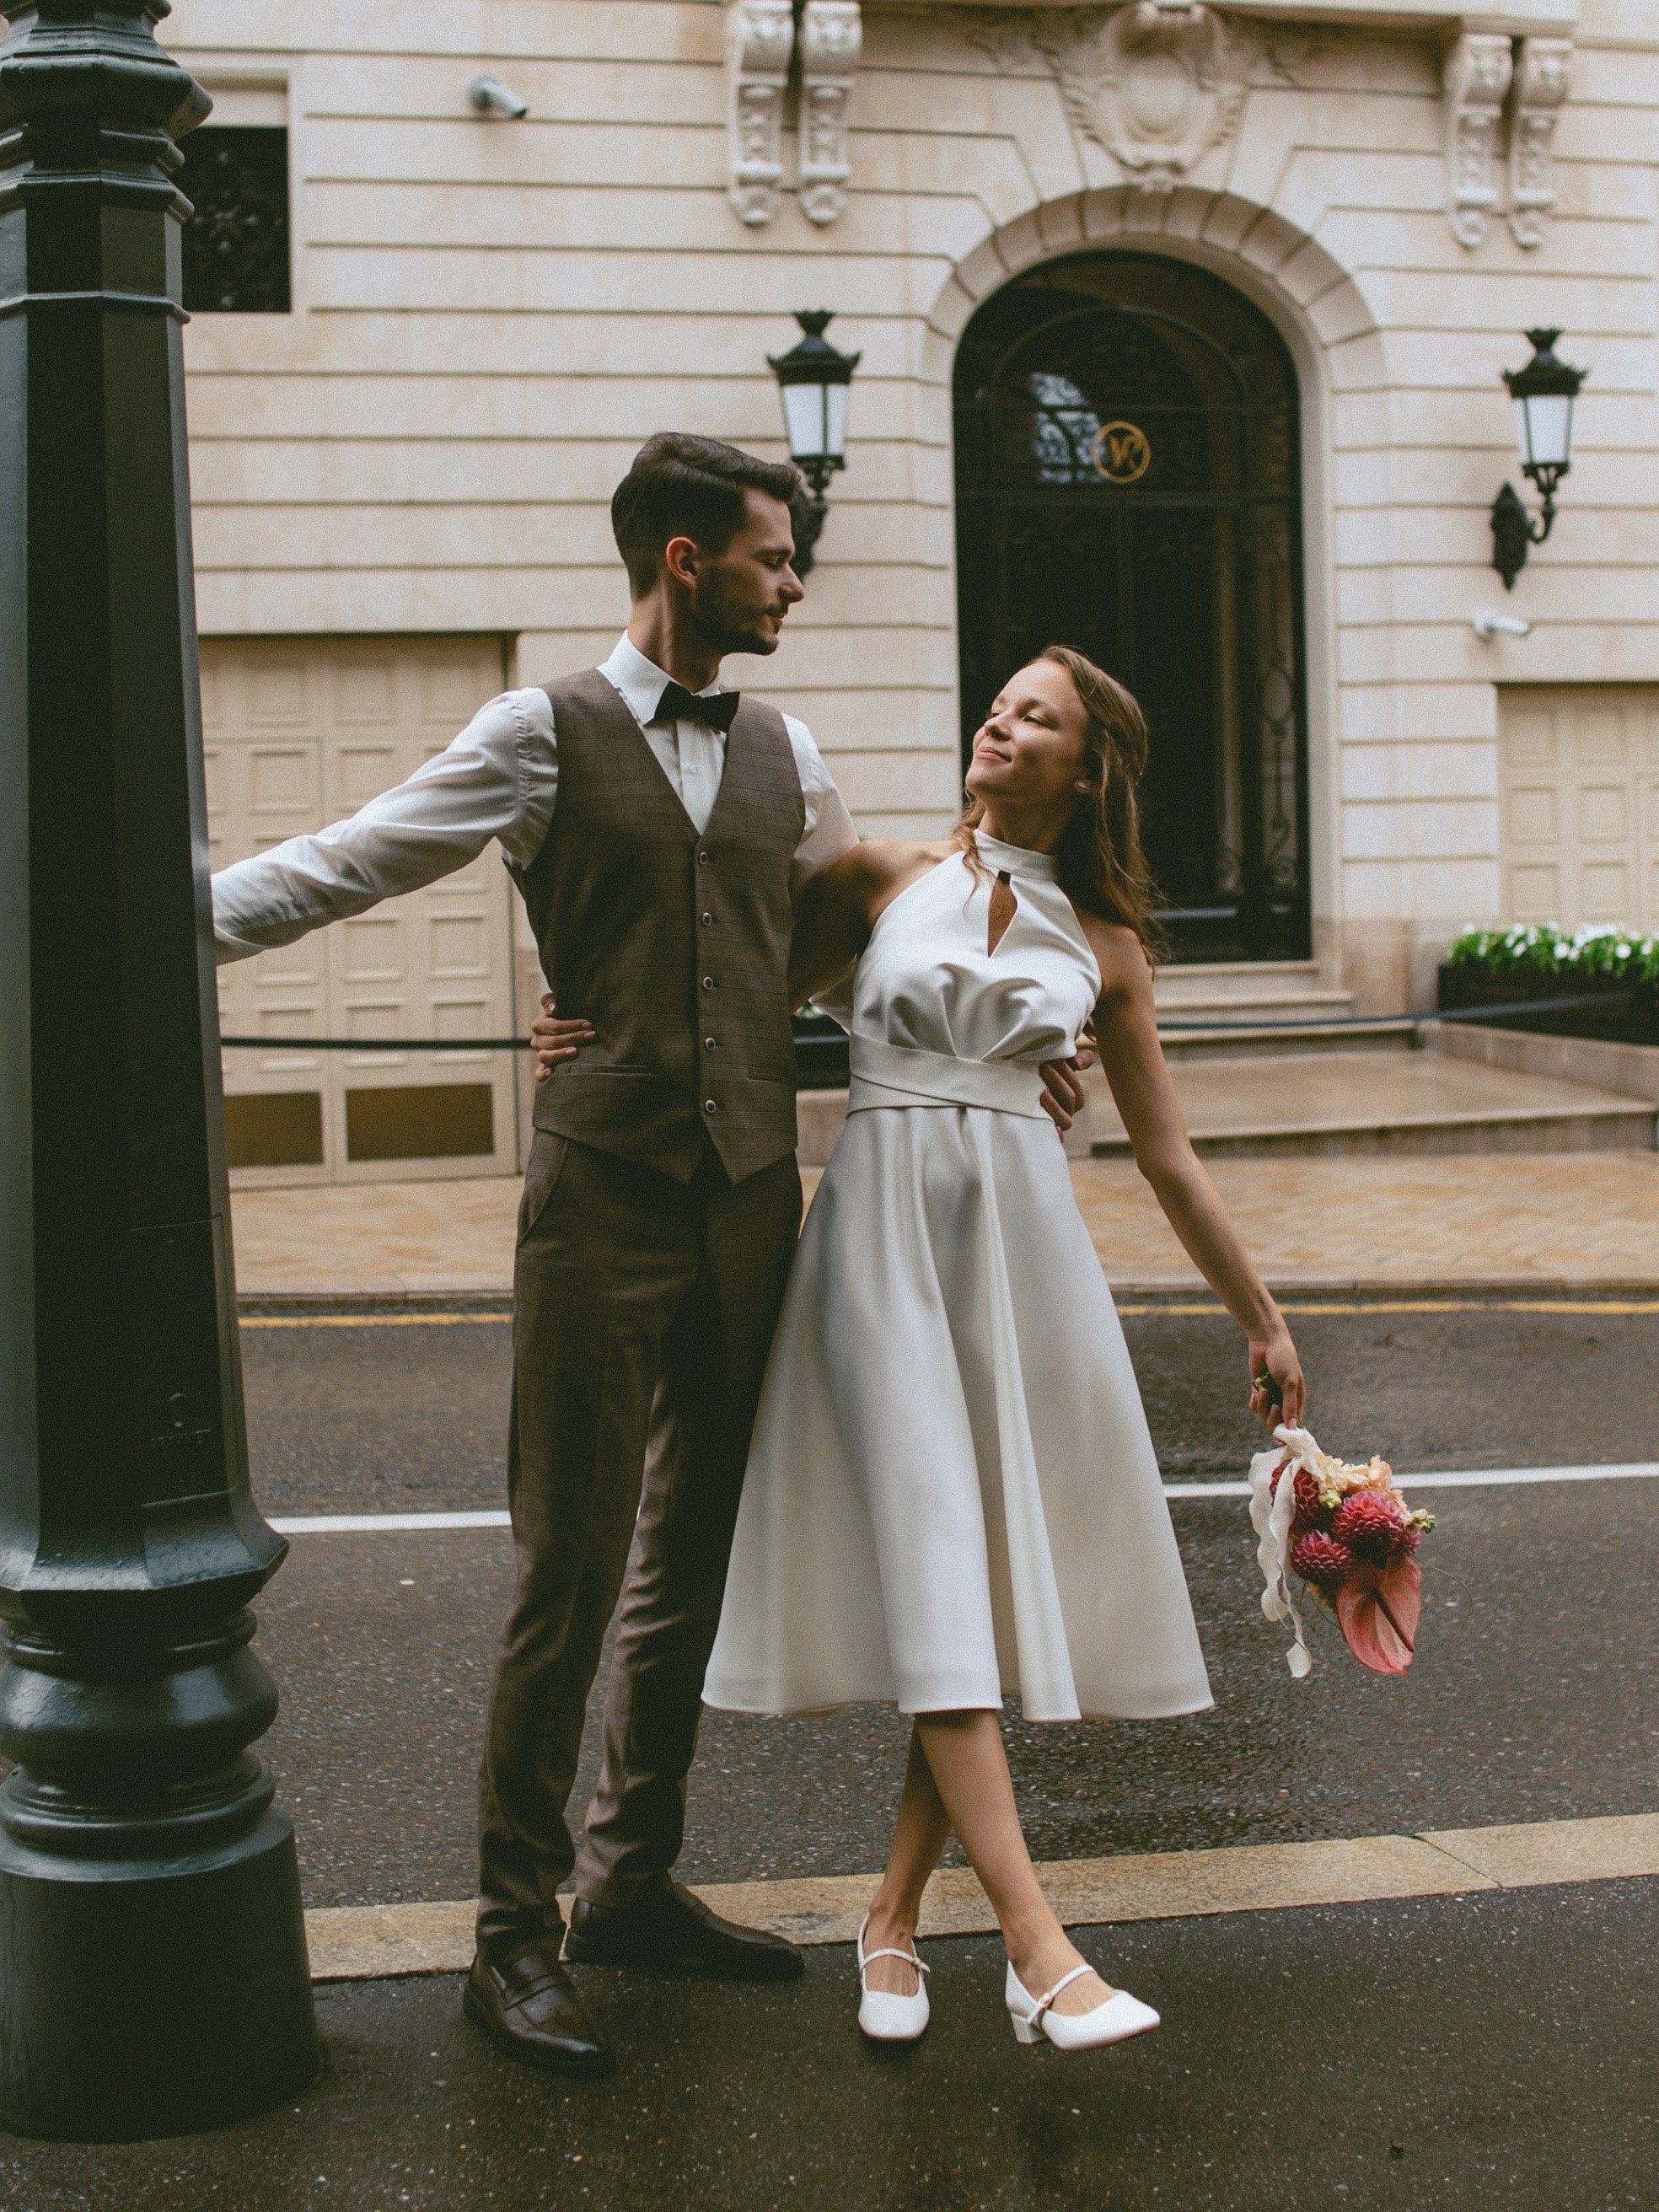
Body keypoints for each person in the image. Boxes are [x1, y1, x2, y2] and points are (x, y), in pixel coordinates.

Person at [212, 430, 1087, 2080]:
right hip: (603, 1199)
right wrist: (152, 914)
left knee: (693, 1558)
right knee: (568, 1571)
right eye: (772, 556)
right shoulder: (536, 734)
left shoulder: (789, 750)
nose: (794, 581)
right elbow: (351, 857)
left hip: (755, 1201)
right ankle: (510, 1937)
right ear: (687, 561)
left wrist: (1002, 1037)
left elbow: (842, 960)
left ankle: (631, 1878)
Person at [543, 646, 1306, 2053]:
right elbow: (720, 989)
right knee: (944, 1561)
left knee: (975, 1578)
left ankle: (891, 1919)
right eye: (1001, 705)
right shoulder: (883, 876)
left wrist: (1260, 1317)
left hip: (1020, 1254)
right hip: (877, 1242)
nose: (999, 725)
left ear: (1090, 771)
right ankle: (1039, 1948)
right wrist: (579, 1029)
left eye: (1039, 719)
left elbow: (1169, 1153)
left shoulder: (1109, 945)